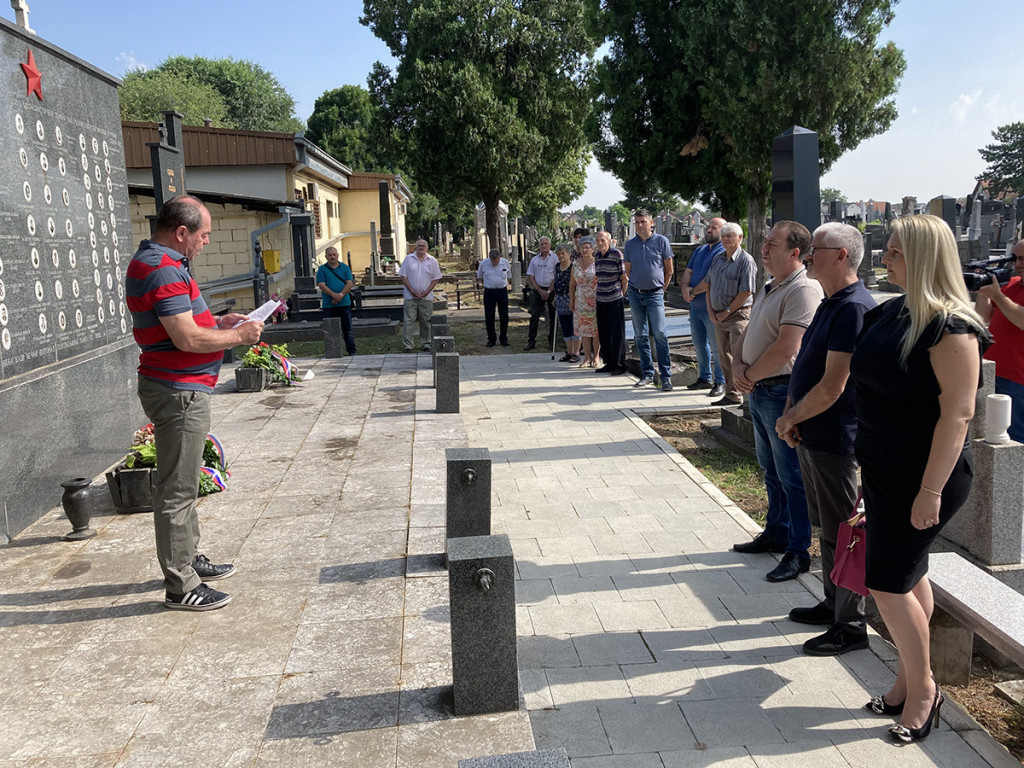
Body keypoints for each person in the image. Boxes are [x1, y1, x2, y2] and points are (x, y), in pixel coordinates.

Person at [850, 214, 988, 743]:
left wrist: (929, 491)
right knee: (909, 577)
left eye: (896, 251)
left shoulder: (953, 326)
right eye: (886, 249)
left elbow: (958, 414)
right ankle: (908, 680)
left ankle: (925, 689)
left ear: (926, 257)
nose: (885, 257)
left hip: (926, 476)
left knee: (886, 582)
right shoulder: (890, 313)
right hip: (883, 469)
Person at [126, 196, 264, 611]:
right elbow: (186, 339)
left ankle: (189, 558)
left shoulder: (159, 261)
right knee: (177, 488)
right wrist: (239, 338)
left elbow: (182, 325)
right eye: (203, 235)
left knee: (184, 481)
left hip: (179, 385)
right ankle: (180, 584)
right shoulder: (162, 268)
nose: (206, 242)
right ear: (181, 232)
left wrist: (217, 323)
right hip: (177, 390)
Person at [774, 223, 876, 654]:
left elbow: (835, 385)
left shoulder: (853, 307)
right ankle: (833, 604)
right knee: (828, 528)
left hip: (835, 438)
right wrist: (793, 415)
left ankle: (850, 626)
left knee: (844, 533)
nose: (809, 255)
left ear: (841, 255)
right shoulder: (832, 302)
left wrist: (790, 416)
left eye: (816, 249)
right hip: (813, 432)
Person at [730, 221, 823, 583]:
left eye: (771, 244)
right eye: (765, 243)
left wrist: (748, 375)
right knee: (771, 470)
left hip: (779, 389)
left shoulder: (803, 289)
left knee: (791, 475)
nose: (763, 249)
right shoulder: (771, 286)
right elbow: (750, 331)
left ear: (795, 252)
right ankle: (777, 531)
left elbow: (788, 347)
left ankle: (799, 550)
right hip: (759, 388)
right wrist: (739, 364)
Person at [694, 222, 756, 405]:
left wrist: (727, 311)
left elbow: (746, 291)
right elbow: (709, 284)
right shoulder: (718, 258)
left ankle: (742, 394)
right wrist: (711, 310)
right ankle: (731, 393)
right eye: (724, 236)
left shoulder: (746, 261)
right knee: (724, 356)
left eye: (730, 236)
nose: (726, 239)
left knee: (739, 356)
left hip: (738, 315)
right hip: (718, 315)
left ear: (740, 238)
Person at [975, 238, 1024, 442]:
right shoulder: (1011, 284)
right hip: (992, 372)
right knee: (990, 435)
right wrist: (983, 289)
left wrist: (999, 296)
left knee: (1014, 438)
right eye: (1015, 258)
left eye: (1022, 258)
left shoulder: (1005, 292)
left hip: (1018, 379)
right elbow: (983, 315)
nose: (1018, 264)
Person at [624, 209, 674, 390]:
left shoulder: (661, 241)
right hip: (636, 293)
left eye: (643, 222)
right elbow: (628, 270)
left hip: (655, 293)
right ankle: (647, 373)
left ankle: (666, 375)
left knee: (660, 333)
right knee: (640, 334)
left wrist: (661, 288)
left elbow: (669, 269)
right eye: (637, 222)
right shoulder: (630, 245)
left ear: (651, 222)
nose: (639, 225)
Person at [680, 217, 727, 397]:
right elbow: (688, 271)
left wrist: (692, 292)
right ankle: (704, 377)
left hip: (711, 306)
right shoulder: (700, 250)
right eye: (708, 227)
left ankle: (720, 381)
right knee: (700, 344)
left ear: (723, 231)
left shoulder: (722, 251)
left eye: (714, 228)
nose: (709, 230)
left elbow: (711, 279)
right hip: (695, 307)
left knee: (717, 347)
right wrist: (685, 288)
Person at [594, 230, 628, 375]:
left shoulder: (616, 254)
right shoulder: (597, 256)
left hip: (615, 298)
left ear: (609, 241)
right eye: (598, 241)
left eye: (603, 240)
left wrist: (622, 294)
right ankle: (608, 362)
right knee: (604, 332)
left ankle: (619, 364)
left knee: (617, 332)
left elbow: (624, 277)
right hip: (601, 298)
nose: (600, 243)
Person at [399, 239, 442, 352]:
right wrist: (412, 290)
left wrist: (426, 292)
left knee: (426, 321)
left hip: (426, 297)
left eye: (423, 246)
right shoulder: (408, 259)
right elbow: (403, 276)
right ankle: (408, 345)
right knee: (409, 320)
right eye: (419, 246)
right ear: (415, 247)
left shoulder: (432, 261)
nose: (421, 248)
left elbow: (435, 278)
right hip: (410, 296)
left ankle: (426, 343)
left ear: (427, 248)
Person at [315, 246, 357, 355]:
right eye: (330, 255)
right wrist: (334, 295)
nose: (332, 257)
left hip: (344, 304)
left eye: (334, 254)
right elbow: (321, 285)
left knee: (348, 329)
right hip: (329, 305)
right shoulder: (322, 269)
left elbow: (349, 283)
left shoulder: (345, 267)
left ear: (337, 255)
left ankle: (352, 351)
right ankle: (332, 351)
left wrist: (341, 295)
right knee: (330, 330)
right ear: (326, 257)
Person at [570, 236, 600, 367]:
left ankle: (597, 357)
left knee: (595, 331)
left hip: (595, 300)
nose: (584, 250)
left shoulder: (597, 263)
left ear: (593, 249)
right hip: (580, 301)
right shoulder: (575, 264)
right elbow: (572, 283)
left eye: (587, 247)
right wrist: (572, 300)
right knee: (584, 331)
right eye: (582, 247)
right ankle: (587, 357)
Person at [525, 237, 557, 351]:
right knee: (534, 316)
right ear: (539, 246)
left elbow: (556, 276)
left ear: (550, 245)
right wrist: (539, 290)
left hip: (551, 290)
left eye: (546, 244)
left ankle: (551, 341)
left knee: (553, 317)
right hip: (538, 290)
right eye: (542, 244)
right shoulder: (535, 260)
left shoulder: (555, 258)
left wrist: (548, 291)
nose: (544, 246)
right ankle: (531, 341)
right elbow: (531, 276)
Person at [477, 248, 511, 348]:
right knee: (489, 316)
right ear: (489, 258)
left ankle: (503, 338)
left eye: (497, 261)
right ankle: (491, 339)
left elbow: (509, 277)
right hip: (489, 291)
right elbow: (480, 277)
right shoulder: (483, 264)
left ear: (500, 258)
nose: (495, 263)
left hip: (502, 291)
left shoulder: (505, 263)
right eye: (493, 261)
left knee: (504, 315)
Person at [552, 243, 580, 362]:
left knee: (575, 326)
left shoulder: (574, 266)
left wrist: (574, 299)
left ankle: (576, 353)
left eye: (563, 253)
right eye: (558, 254)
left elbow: (576, 284)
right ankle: (569, 352)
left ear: (569, 254)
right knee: (565, 326)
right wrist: (555, 296)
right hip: (560, 299)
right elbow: (557, 282)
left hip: (572, 298)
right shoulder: (558, 266)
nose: (561, 256)